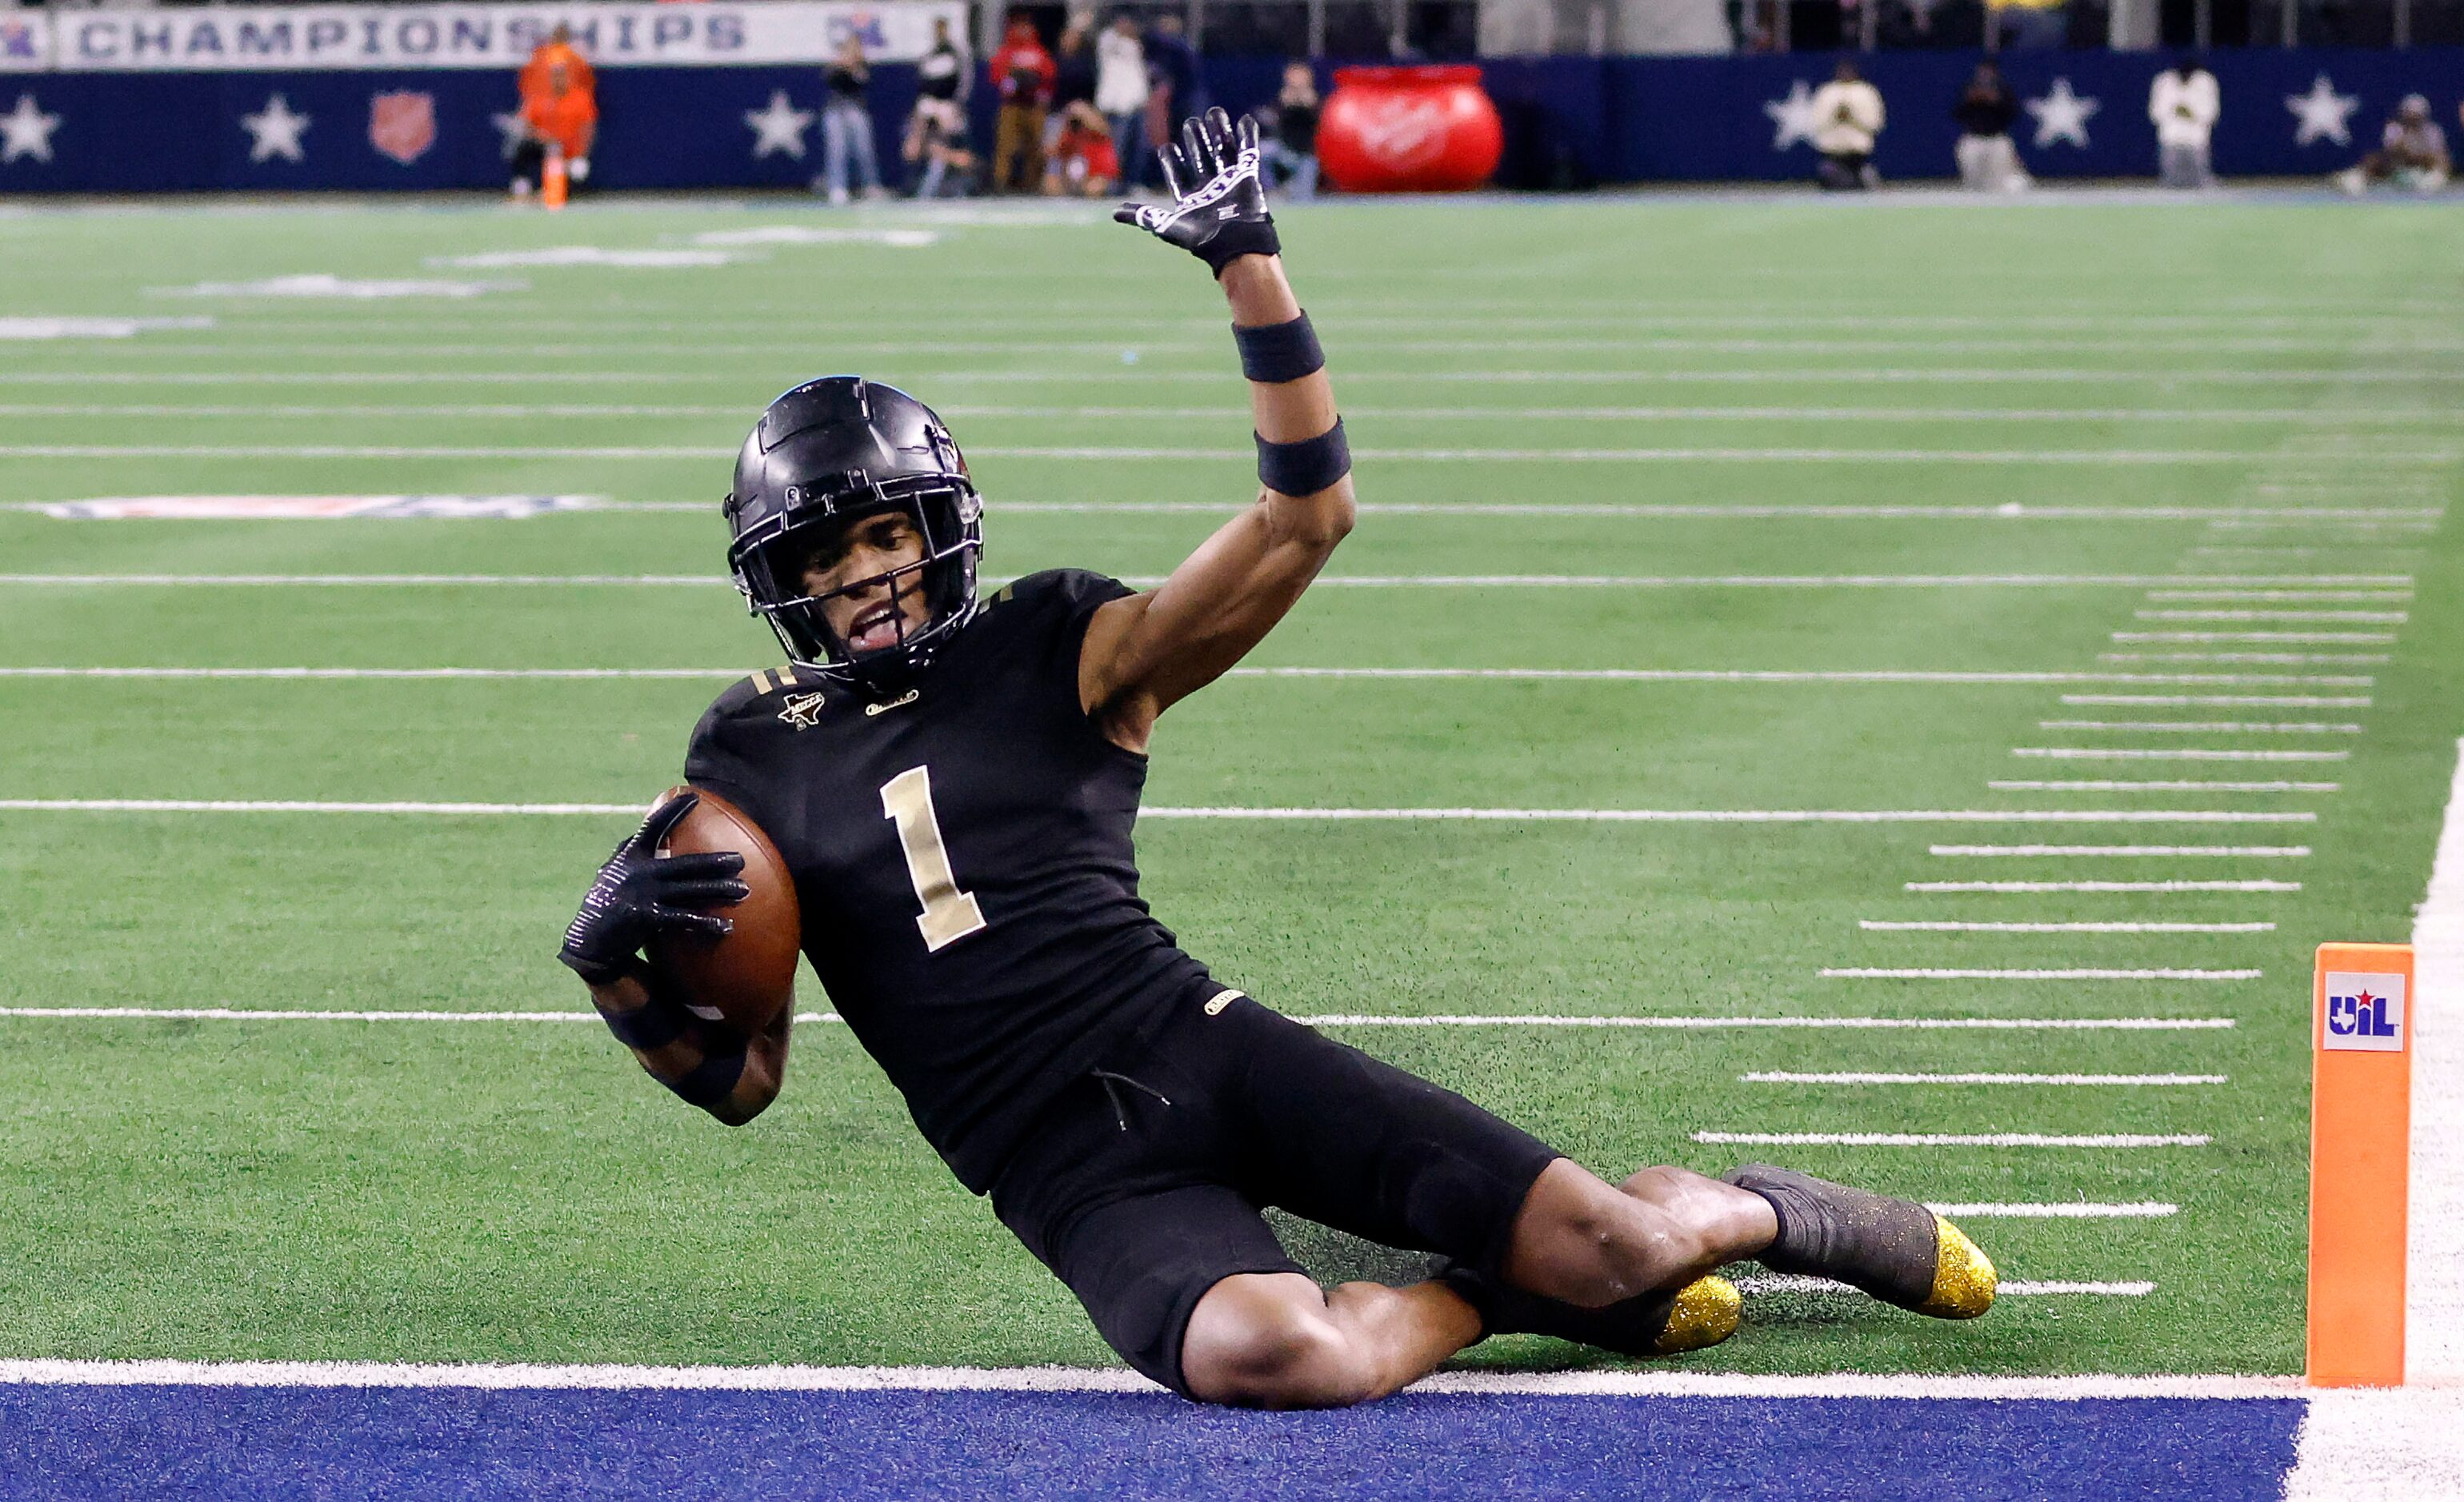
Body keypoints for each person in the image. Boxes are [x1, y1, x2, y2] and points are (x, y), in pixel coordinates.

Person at [558, 106, 2000, 1411]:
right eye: (825, 553)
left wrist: (1252, 266)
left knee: (1618, 1238)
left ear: (940, 528)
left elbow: (1307, 516)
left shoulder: (1060, 642)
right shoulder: (745, 747)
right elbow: (742, 1078)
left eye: (884, 533)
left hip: (1204, 1044)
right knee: (1279, 1357)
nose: (865, 573)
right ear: (781, 582)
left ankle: (1760, 1208)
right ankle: (1495, 1297)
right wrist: (623, 978)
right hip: (1060, 1166)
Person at [988, 13, 1056, 193]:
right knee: (1006, 145)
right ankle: (1000, 182)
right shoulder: (1007, 51)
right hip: (1012, 106)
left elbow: (1049, 74)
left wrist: (1042, 90)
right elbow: (997, 73)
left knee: (1035, 147)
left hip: (1034, 106)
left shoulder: (1039, 52)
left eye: (1026, 26)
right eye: (1020, 26)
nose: (1024, 30)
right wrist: (1008, 82)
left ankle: (1032, 184)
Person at [510, 59, 596, 200]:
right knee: (519, 148)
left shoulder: (580, 98)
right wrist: (541, 136)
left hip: (569, 151)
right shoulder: (539, 98)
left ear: (568, 77)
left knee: (578, 172)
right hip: (545, 147)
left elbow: (588, 128)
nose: (558, 79)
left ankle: (553, 191)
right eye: (555, 75)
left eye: (561, 75)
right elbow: (527, 125)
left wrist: (581, 154)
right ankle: (522, 187)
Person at [905, 17, 969, 196]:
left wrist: (956, 106)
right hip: (930, 106)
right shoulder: (929, 56)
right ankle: (924, 191)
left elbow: (963, 83)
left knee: (944, 154)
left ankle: (949, 188)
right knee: (921, 150)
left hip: (949, 105)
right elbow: (910, 153)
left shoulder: (955, 54)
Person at [2338, 94, 2450, 195]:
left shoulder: (2433, 131)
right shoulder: (2394, 128)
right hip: (2398, 168)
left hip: (2422, 168)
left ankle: (2434, 180)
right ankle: (2357, 179)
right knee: (2373, 159)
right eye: (2410, 113)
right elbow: (2393, 152)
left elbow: (2438, 154)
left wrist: (2419, 157)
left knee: (2441, 159)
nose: (2413, 117)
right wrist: (2405, 140)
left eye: (2416, 114)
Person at [818, 35, 884, 205]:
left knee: (864, 149)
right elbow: (829, 79)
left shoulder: (861, 65)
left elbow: (862, 81)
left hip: (855, 109)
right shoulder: (836, 66)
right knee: (837, 149)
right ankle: (837, 187)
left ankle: (870, 185)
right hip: (835, 109)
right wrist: (841, 65)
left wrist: (853, 68)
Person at [1141, 14, 1200, 188]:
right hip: (1169, 106)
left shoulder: (1182, 49)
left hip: (1186, 102)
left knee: (1190, 144)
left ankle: (1193, 182)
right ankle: (1168, 181)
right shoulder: (1159, 52)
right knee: (1165, 144)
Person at [1094, 14, 1150, 195]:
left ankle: (1131, 184)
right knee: (1116, 149)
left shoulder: (1134, 44)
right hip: (1117, 107)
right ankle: (1111, 185)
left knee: (1138, 149)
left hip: (1136, 104)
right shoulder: (1108, 39)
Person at [1951, 58, 2027, 192]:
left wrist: (1996, 101)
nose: (1985, 74)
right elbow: (1957, 113)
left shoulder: (2003, 90)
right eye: (1982, 70)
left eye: (1989, 71)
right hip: (1973, 139)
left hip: (1997, 139)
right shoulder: (1969, 88)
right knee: (1972, 177)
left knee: (1998, 180)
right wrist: (1971, 101)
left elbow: (2013, 113)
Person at [1809, 58, 1884, 190]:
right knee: (1832, 180)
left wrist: (1852, 118)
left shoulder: (1866, 92)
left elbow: (1875, 123)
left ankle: (1863, 175)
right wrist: (1835, 116)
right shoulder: (1826, 92)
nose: (1845, 74)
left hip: (1858, 155)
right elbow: (1816, 122)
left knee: (1858, 186)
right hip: (1832, 154)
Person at [2148, 56, 2218, 189]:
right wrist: (2176, 111)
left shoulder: (2205, 82)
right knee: (2170, 182)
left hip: (2196, 140)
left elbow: (2211, 113)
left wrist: (2191, 113)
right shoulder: (2164, 82)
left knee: (2201, 181)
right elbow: (2156, 113)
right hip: (2171, 138)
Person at [1261, 61, 1320, 200]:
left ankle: (1291, 188)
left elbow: (1323, 129)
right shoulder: (1282, 101)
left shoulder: (1316, 102)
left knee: (1303, 198)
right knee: (1259, 151)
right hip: (1284, 151)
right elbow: (1272, 123)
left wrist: (1312, 107)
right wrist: (1284, 107)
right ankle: (1272, 190)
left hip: (1307, 157)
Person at [1042, 101, 1122, 197]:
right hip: (1074, 180)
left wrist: (1084, 112)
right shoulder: (1070, 133)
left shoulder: (1099, 134)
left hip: (1101, 178)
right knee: (1051, 183)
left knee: (1094, 187)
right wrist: (1066, 118)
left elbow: (1101, 127)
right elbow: (1051, 151)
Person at [1046, 22, 1099, 162]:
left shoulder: (1086, 61)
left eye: (1074, 38)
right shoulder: (1053, 60)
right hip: (1057, 112)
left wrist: (1081, 107)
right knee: (1054, 157)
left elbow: (1089, 83)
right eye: (1067, 37)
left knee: (1079, 157)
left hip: (1081, 114)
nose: (1070, 41)